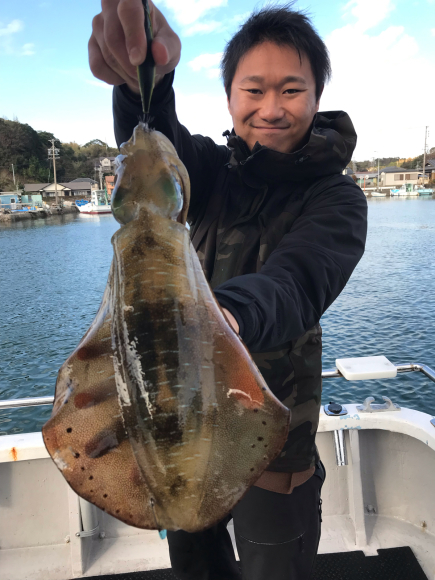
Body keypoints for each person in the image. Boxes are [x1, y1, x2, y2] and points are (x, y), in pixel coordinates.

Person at [89, 2, 367, 579]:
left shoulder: (335, 199)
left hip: (270, 439)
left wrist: (222, 317)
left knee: (274, 567)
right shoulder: (211, 171)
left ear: (317, 96)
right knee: (195, 560)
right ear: (230, 97)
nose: (271, 108)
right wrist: (144, 78)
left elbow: (297, 284)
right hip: (178, 426)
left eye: (291, 89)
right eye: (253, 90)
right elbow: (158, 154)